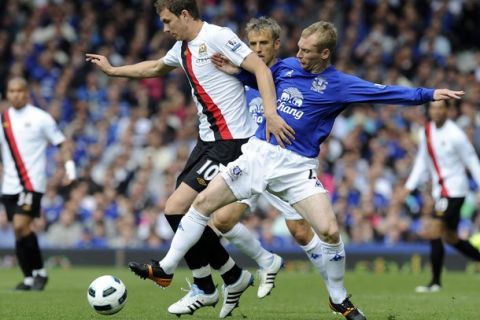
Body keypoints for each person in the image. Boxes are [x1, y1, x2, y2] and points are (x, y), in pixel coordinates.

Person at [139, 20, 464, 320]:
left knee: (329, 231)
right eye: (298, 48)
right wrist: (234, 71)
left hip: (298, 168)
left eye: (306, 51)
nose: (298, 55)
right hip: (259, 156)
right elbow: (256, 76)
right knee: (202, 205)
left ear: (325, 53)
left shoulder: (340, 84)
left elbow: (385, 93)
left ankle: (338, 299)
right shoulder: (288, 67)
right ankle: (167, 267)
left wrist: (429, 94)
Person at [86, 0, 292, 317]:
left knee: (179, 208)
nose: (165, 28)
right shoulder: (183, 48)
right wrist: (114, 71)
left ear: (185, 15)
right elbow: (154, 67)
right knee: (175, 213)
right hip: (207, 142)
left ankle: (203, 285)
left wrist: (271, 112)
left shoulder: (218, 36)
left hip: (231, 143)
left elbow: (261, 69)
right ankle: (231, 277)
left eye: (168, 21)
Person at [210, 16, 332, 301]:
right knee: (223, 219)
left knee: (300, 231)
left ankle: (335, 291)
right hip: (251, 158)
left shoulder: (290, 73)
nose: (258, 48)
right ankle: (266, 260)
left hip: (282, 162)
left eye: (264, 43)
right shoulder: (242, 71)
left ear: (277, 44)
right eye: (252, 44)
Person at [0, 77, 76, 290]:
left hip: (31, 183)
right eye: (11, 91)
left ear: (27, 93)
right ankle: (31, 277)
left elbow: (62, 143)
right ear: (7, 94)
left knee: (20, 225)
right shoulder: (3, 119)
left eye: (19, 91)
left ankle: (39, 272)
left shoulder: (40, 118)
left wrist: (70, 170)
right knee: (19, 231)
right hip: (9, 186)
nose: (15, 94)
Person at [398, 100, 480, 293]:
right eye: (433, 108)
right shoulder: (426, 131)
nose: (436, 111)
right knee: (450, 237)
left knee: (435, 229)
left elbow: (472, 161)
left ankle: (435, 283)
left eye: (440, 107)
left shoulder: (456, 135)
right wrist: (409, 186)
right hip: (440, 192)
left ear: (448, 110)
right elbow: (422, 161)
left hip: (455, 191)